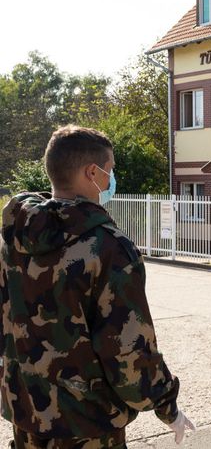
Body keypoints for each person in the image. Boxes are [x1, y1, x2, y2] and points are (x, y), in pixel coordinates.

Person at [0, 126, 194, 448]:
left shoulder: (12, 239)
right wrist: (167, 406)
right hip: (87, 426)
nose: (111, 180)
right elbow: (127, 350)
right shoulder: (108, 248)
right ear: (92, 172)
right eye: (110, 171)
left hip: (27, 416)